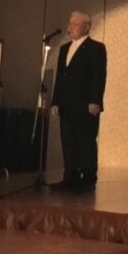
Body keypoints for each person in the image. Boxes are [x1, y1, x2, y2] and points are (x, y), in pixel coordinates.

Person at [50, 11, 107, 192]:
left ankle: (88, 178)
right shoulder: (64, 48)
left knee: (86, 141)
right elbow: (60, 77)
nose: (70, 27)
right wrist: (56, 101)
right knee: (68, 141)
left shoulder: (96, 48)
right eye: (70, 23)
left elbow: (99, 76)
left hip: (85, 105)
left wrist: (95, 101)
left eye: (75, 23)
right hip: (66, 104)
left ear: (86, 27)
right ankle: (70, 177)